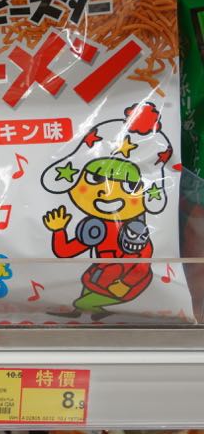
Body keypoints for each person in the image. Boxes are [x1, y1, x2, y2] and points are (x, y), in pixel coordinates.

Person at [40, 102, 172, 321]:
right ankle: (86, 312)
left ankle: (86, 308)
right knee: (83, 293)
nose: (106, 191)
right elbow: (65, 252)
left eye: (128, 185)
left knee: (82, 300)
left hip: (127, 283)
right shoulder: (95, 228)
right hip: (100, 278)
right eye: (95, 179)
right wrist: (59, 229)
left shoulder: (136, 232)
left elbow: (142, 259)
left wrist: (125, 283)